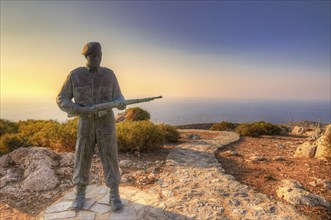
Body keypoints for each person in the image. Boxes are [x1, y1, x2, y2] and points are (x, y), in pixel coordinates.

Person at [56, 42, 125, 212]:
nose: (97, 58)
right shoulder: (75, 75)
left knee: (110, 157)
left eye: (99, 55)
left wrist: (120, 103)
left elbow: (118, 95)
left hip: (106, 122)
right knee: (82, 157)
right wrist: (79, 109)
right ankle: (80, 194)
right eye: (93, 56)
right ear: (86, 57)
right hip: (85, 123)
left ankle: (114, 194)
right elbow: (61, 98)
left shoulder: (109, 75)